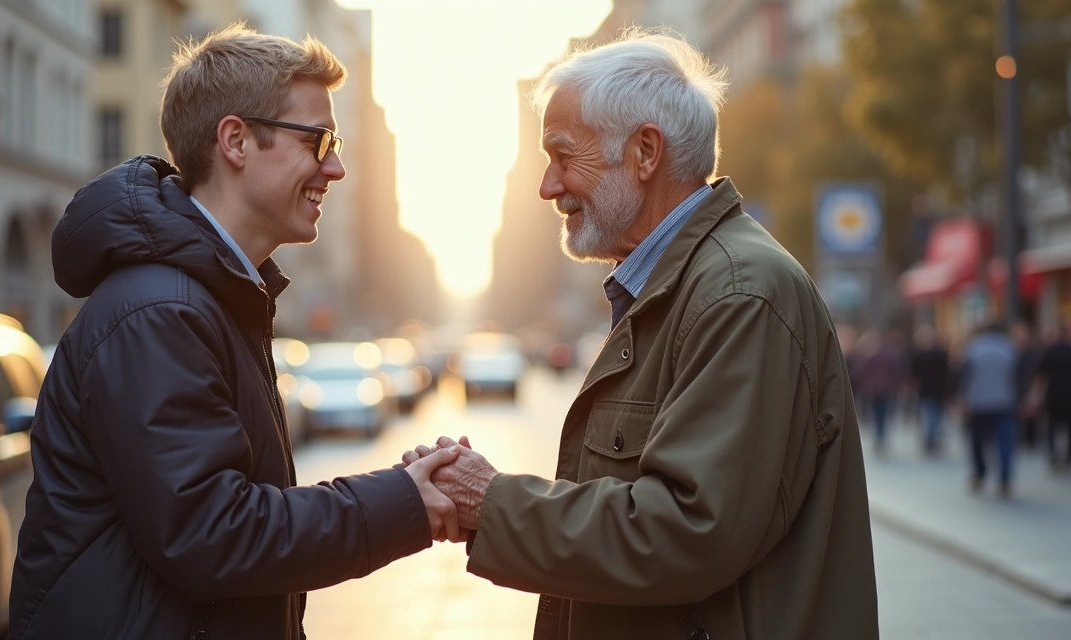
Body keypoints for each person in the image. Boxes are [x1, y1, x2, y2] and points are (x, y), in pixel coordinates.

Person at [405, 31, 877, 639]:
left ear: (645, 153)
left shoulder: (737, 294)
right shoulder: (686, 286)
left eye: (563, 156)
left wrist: (492, 501)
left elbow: (686, 531)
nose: (548, 186)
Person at [9, 26, 461, 640]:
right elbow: (213, 534)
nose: (336, 166)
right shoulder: (160, 312)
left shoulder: (208, 299)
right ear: (236, 141)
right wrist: (401, 502)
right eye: (318, 140)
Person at [958, 321, 1020, 498]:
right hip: (1005, 402)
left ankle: (979, 473)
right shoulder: (1010, 349)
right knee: (1005, 443)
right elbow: (1019, 377)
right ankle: (1005, 479)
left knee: (977, 442)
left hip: (978, 403)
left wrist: (963, 400)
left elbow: (963, 376)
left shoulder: (973, 349)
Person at [853, 329, 905, 454]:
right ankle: (881, 434)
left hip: (872, 390)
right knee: (883, 413)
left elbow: (858, 373)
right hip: (886, 389)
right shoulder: (890, 355)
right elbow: (897, 371)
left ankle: (879, 434)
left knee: (876, 413)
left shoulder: (867, 356)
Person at [910, 325, 951, 454]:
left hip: (926, 389)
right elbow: (947, 373)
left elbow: (914, 374)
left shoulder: (920, 355)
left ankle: (931, 438)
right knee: (935, 414)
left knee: (929, 414)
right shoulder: (941, 354)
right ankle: (932, 437)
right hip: (938, 389)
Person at [1036, 324, 1071, 470]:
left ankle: (1053, 456)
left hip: (1053, 394)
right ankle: (1068, 457)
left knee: (1051, 425)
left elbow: (1041, 375)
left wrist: (1038, 394)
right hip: (1069, 394)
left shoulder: (1049, 351)